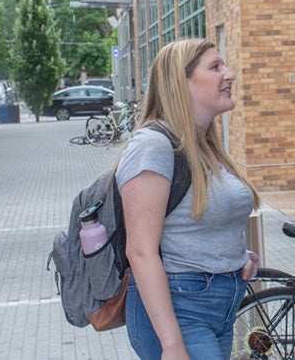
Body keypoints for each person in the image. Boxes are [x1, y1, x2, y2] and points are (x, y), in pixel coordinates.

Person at [117, 38, 260, 359]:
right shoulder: (153, 146)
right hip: (181, 308)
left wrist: (235, 256)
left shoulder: (206, 145)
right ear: (180, 83)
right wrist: (172, 344)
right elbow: (140, 251)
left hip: (218, 304)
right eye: (215, 67)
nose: (230, 74)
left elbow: (196, 221)